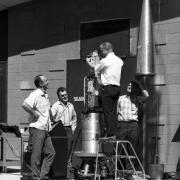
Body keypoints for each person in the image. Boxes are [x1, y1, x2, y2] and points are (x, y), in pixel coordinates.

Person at [86, 42, 124, 138]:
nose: (102, 52)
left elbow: (95, 68)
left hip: (107, 88)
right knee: (114, 112)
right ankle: (114, 131)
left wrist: (88, 62)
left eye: (102, 50)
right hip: (117, 88)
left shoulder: (105, 60)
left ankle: (110, 133)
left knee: (107, 111)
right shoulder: (119, 60)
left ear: (108, 49)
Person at [22, 75, 56, 180]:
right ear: (40, 84)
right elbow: (25, 104)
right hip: (37, 129)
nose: (48, 81)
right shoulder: (35, 94)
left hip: (45, 129)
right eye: (46, 81)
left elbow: (47, 111)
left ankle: (43, 176)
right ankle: (35, 177)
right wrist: (33, 113)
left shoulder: (45, 95)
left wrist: (53, 119)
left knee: (51, 153)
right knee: (36, 156)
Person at [116, 80, 149, 169]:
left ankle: (130, 171)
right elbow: (116, 112)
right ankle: (117, 171)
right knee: (118, 148)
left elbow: (147, 95)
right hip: (122, 125)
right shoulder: (121, 98)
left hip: (133, 125)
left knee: (132, 149)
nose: (129, 86)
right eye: (128, 84)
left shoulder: (138, 99)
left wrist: (138, 88)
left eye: (132, 85)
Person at [51, 87, 77, 161]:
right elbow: (51, 118)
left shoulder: (71, 106)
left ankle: (66, 165)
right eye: (62, 96)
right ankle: (59, 166)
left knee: (69, 148)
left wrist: (73, 129)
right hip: (59, 130)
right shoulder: (56, 106)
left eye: (65, 95)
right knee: (59, 149)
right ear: (59, 97)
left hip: (68, 129)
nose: (65, 97)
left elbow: (74, 118)